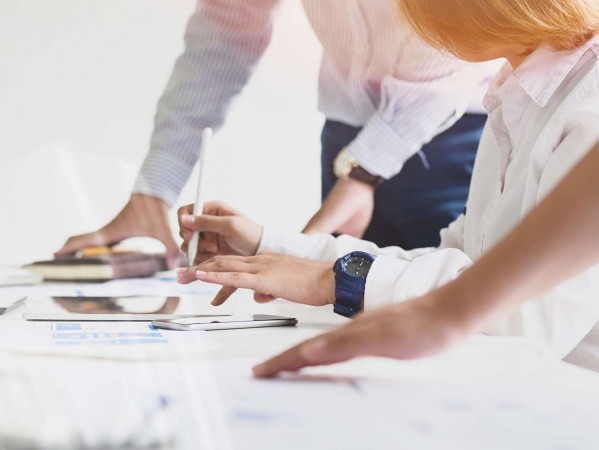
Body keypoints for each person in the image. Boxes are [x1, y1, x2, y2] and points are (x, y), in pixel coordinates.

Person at [176, 0, 599, 372]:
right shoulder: (516, 93)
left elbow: (531, 318)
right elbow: (457, 261)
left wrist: (334, 280)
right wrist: (272, 247)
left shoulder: (585, 108)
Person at [56, 0, 496, 267]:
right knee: (341, 320)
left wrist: (365, 172)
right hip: (347, 138)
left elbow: (456, 46)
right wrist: (154, 191)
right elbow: (227, 29)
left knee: (461, 316)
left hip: (456, 134)